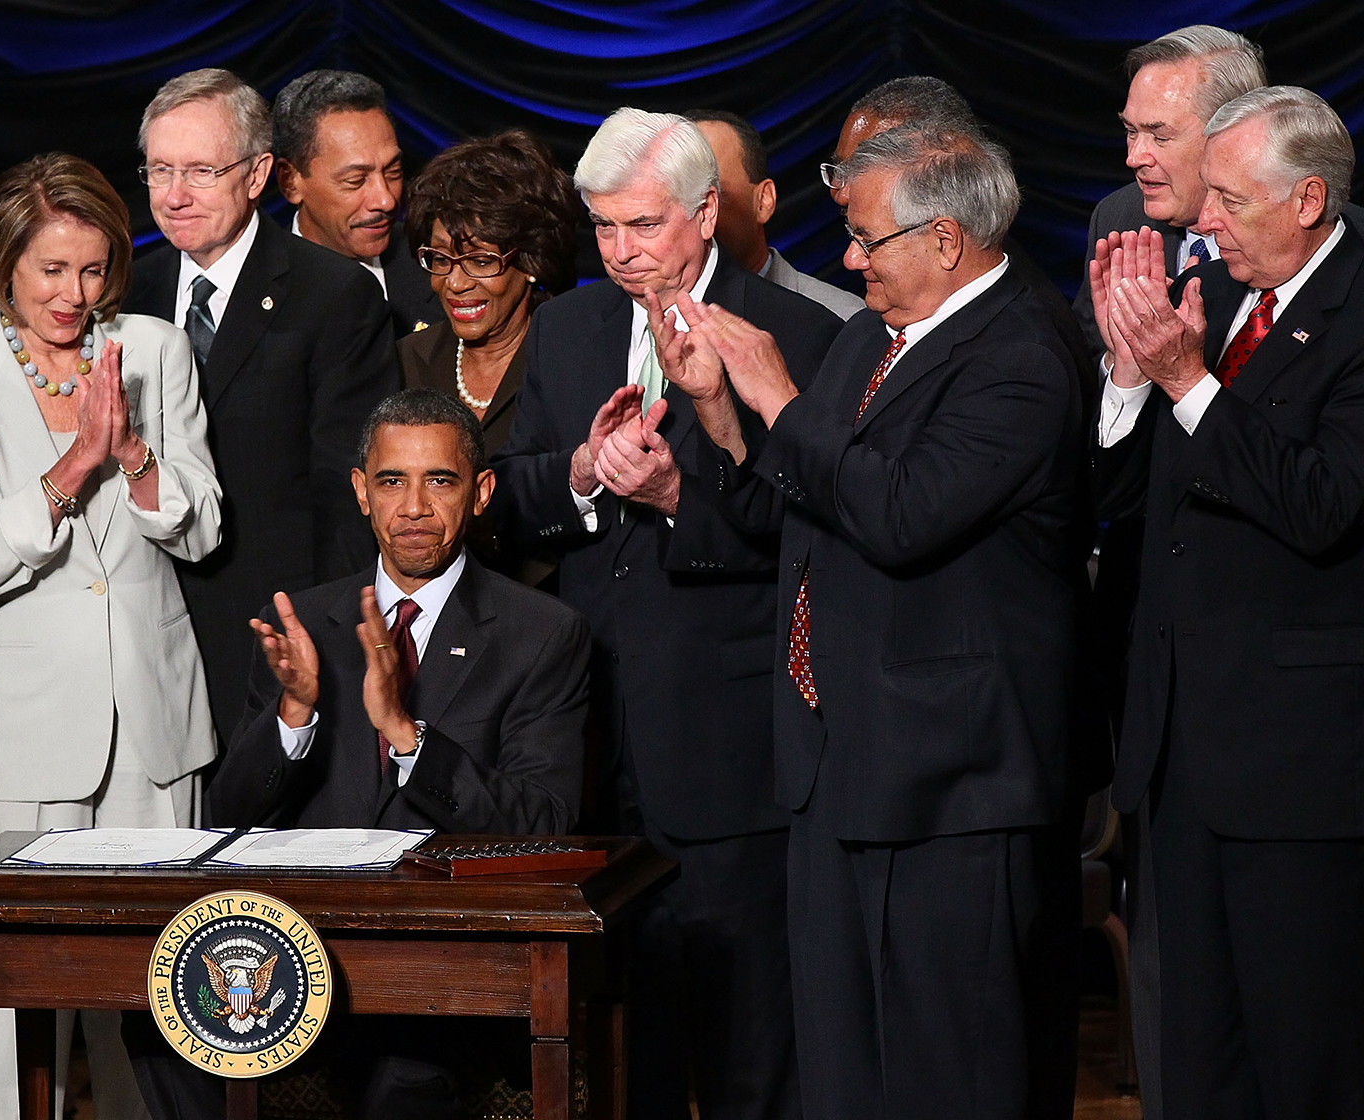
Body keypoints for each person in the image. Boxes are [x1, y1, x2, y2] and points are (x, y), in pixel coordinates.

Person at [676, 124, 1082, 1120]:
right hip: (838, 763)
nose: (849, 260)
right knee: (844, 1076)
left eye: (868, 241)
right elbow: (807, 509)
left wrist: (776, 394)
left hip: (951, 784)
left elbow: (900, 516)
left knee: (948, 1076)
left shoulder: (1023, 358)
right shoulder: (870, 334)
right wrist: (729, 420)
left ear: (945, 241)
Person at [491, 107, 842, 1120]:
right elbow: (510, 497)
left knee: (748, 1053)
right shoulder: (567, 326)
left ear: (702, 215)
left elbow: (811, 530)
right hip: (594, 741)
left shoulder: (799, 335)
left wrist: (681, 498)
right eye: (603, 228)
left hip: (733, 748)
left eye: (642, 225)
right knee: (619, 1047)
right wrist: (586, 476)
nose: (620, 250)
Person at [126, 387, 591, 1120]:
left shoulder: (542, 633)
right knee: (157, 1021)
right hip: (300, 951)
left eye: (439, 480)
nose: (412, 507)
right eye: (390, 481)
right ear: (360, 493)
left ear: (481, 493)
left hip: (449, 967)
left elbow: (545, 822)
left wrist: (408, 737)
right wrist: (295, 713)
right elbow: (229, 812)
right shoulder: (304, 620)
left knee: (400, 1081)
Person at [1092, 86, 1364, 1120]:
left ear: (1305, 200)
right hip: (1179, 757)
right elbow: (1129, 507)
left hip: (1302, 772)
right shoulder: (1216, 289)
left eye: (1227, 200)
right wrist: (1129, 378)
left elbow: (1323, 504)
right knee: (1196, 1066)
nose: (1200, 220)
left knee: (1305, 1062)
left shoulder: (1354, 309)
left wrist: (1187, 381)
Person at [0, 153, 223, 1120]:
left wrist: (133, 452)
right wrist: (74, 467)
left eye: (94, 269)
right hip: (23, 732)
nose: (75, 294)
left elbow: (201, 527)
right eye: (52, 271)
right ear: (4, 266)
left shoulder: (154, 350)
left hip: (152, 721)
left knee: (167, 997)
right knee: (22, 1007)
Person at [123, 68, 398, 745]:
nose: (176, 196)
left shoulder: (335, 296)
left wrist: (329, 650)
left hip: (272, 640)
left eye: (200, 172)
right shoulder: (125, 290)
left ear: (256, 175)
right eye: (160, 172)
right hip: (138, 642)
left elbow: (347, 495)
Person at [824, 76, 1090, 378]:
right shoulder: (871, 325)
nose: (842, 192)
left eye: (868, 167)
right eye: (842, 169)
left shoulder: (1024, 349)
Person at [1074, 27, 1269, 368]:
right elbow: (1082, 372)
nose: (1134, 158)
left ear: (1231, 135)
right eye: (1131, 132)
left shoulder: (1307, 236)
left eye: (1159, 137)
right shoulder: (1120, 218)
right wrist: (1124, 360)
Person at [399, 129, 579, 447]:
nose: (455, 283)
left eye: (481, 261)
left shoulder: (570, 363)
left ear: (531, 262)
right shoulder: (407, 361)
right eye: (440, 258)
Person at [272, 69, 442, 337]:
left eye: (393, 173)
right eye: (355, 180)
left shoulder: (438, 264)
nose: (385, 200)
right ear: (290, 182)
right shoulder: (253, 288)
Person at [686, 109, 864, 319]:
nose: (688, 214)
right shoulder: (645, 314)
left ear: (763, 201)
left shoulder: (840, 319)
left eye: (708, 195)